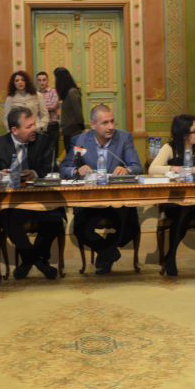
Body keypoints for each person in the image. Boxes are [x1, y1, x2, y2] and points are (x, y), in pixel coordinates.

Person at [60, 104, 142, 275]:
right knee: (80, 229)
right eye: (105, 123)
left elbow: (137, 167)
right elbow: (64, 168)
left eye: (112, 121)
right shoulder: (80, 141)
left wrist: (127, 170)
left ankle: (105, 254)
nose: (111, 126)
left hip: (118, 201)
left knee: (130, 227)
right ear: (93, 125)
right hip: (90, 202)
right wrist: (76, 170)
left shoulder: (124, 138)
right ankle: (109, 253)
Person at [0, 107, 62, 280]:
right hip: (13, 203)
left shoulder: (44, 141)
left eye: (34, 124)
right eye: (28, 126)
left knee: (56, 218)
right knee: (9, 220)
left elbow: (51, 169)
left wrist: (34, 173)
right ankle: (37, 260)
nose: (34, 128)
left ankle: (28, 261)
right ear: (14, 130)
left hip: (41, 200)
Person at [149, 114, 195, 276]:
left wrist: (192, 170)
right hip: (177, 200)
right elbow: (153, 168)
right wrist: (174, 169)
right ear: (183, 133)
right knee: (183, 209)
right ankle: (172, 255)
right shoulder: (170, 148)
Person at [54, 67, 84, 155]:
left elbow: (78, 112)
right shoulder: (66, 93)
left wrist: (82, 127)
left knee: (77, 156)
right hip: (67, 130)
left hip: (74, 130)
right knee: (70, 155)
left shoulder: (72, 92)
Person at [36, 70, 60, 152]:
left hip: (52, 125)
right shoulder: (35, 94)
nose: (41, 82)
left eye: (44, 80)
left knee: (53, 150)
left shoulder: (54, 92)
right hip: (40, 126)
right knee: (42, 151)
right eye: (39, 80)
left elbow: (53, 106)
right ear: (37, 82)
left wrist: (40, 108)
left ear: (47, 80)